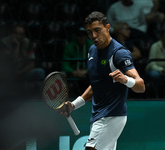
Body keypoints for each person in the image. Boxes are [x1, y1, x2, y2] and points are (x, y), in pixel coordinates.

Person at [59, 11, 145, 150]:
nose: (93, 36)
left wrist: (126, 80)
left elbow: (141, 86)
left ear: (108, 27)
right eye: (89, 32)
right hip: (98, 115)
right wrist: (73, 105)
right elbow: (96, 85)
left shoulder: (119, 53)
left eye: (97, 30)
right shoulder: (92, 50)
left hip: (111, 115)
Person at [1, 24, 45, 93]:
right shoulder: (5, 43)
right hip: (8, 73)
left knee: (40, 72)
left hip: (22, 71)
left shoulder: (27, 43)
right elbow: (11, 63)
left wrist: (20, 73)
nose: (19, 37)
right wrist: (17, 47)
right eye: (16, 34)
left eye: (21, 34)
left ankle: (40, 96)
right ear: (12, 34)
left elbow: (31, 64)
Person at [61, 26, 93, 95]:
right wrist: (73, 72)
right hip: (73, 73)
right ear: (75, 36)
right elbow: (64, 65)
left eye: (84, 35)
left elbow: (96, 63)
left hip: (87, 74)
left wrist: (86, 71)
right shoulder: (69, 47)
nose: (81, 37)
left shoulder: (92, 46)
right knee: (62, 74)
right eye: (79, 35)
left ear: (86, 36)